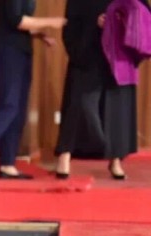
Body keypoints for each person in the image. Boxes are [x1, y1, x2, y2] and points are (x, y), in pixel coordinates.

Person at [54, 0, 151, 180]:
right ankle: (65, 155)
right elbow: (72, 23)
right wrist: (94, 23)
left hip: (120, 54)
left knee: (118, 108)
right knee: (79, 103)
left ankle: (115, 159)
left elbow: (143, 13)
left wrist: (121, 22)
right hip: (88, 51)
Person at [0, 2, 66, 179]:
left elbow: (23, 23)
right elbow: (16, 20)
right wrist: (52, 22)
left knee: (18, 111)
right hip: (7, 51)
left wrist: (41, 35)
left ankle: (7, 165)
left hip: (22, 51)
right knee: (8, 106)